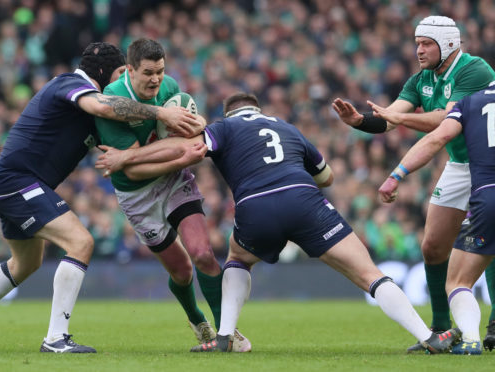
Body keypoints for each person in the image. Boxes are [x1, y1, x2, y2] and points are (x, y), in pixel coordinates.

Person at [96, 92, 462, 354]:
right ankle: (428, 335)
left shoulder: (222, 128)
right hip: (305, 201)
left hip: (257, 208)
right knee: (368, 273)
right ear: (258, 109)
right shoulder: (287, 128)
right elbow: (328, 177)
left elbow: (186, 150)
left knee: (238, 260)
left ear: (230, 112)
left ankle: (224, 336)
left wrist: (128, 157)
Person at [0, 42, 203, 353]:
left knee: (25, 264)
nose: (123, 83)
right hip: (18, 181)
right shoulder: (70, 84)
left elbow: (127, 151)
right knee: (80, 242)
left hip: (13, 184)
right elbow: (104, 106)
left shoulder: (95, 112)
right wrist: (161, 112)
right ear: (107, 73)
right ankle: (55, 338)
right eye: (121, 74)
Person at [332, 15, 495, 352]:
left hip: (486, 165)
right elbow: (389, 118)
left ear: (448, 44)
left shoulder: (473, 69)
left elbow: (447, 119)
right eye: (417, 43)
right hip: (459, 164)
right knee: (432, 246)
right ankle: (440, 329)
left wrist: (398, 119)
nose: (418, 50)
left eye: (426, 44)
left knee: (491, 244)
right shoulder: (420, 79)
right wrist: (360, 121)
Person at [93, 38, 250, 351]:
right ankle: (195, 317)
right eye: (148, 72)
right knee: (182, 270)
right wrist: (180, 155)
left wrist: (185, 142)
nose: (156, 79)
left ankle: (226, 335)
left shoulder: (170, 88)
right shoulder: (111, 101)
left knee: (203, 255)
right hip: (137, 194)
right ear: (129, 70)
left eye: (160, 71)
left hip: (175, 180)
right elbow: (134, 171)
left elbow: (195, 130)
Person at [378, 81, 495, 355]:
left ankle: (469, 339)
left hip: (489, 195)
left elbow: (436, 139)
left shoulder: (469, 103)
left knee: (457, 281)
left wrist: (397, 175)